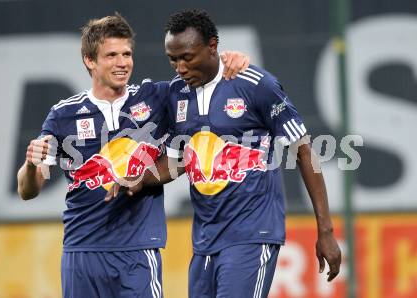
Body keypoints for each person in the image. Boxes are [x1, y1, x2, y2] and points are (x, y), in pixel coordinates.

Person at [109, 9, 342, 298]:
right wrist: (142, 179)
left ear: (212, 47)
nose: (180, 67)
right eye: (173, 59)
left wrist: (326, 231)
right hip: (205, 240)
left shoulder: (256, 85)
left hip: (251, 234)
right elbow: (180, 159)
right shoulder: (176, 94)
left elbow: (304, 152)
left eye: (187, 57)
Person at [16, 12, 249, 298]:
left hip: (138, 251)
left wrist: (230, 59)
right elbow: (28, 190)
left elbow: (204, 75)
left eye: (127, 54)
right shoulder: (63, 115)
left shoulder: (155, 98)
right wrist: (30, 164)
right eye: (111, 55)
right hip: (82, 251)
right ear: (90, 61)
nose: (122, 62)